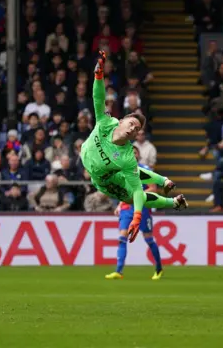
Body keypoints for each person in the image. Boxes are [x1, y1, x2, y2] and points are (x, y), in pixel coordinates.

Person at [80, 51, 188, 243]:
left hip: (105, 181)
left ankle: (173, 202)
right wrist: (98, 75)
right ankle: (165, 182)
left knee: (135, 194)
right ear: (121, 120)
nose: (133, 129)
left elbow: (139, 191)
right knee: (136, 176)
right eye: (131, 123)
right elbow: (98, 97)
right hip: (87, 159)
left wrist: (137, 217)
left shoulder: (127, 156)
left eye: (137, 129)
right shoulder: (106, 122)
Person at [106, 146, 163, 280]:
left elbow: (153, 189)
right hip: (126, 208)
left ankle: (159, 268)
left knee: (148, 239)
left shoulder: (145, 170)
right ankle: (118, 271)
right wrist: (120, 204)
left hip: (142, 208)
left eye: (135, 152)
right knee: (122, 238)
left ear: (138, 155)